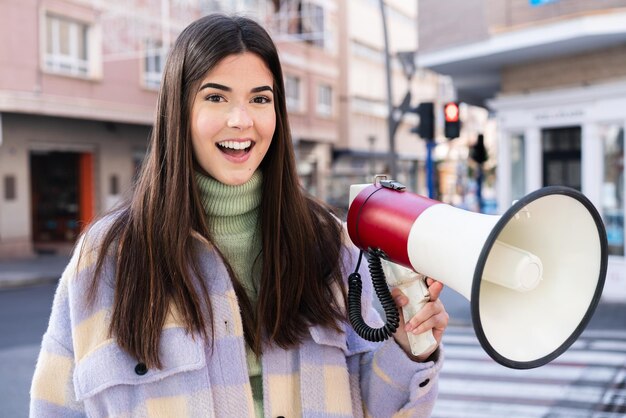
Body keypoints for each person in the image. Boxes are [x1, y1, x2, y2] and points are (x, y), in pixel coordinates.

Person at [30, 13, 448, 418]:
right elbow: (54, 407)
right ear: (180, 111)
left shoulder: (328, 242)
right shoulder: (107, 256)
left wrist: (407, 345)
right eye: (216, 97)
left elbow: (375, 407)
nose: (241, 120)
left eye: (260, 99)